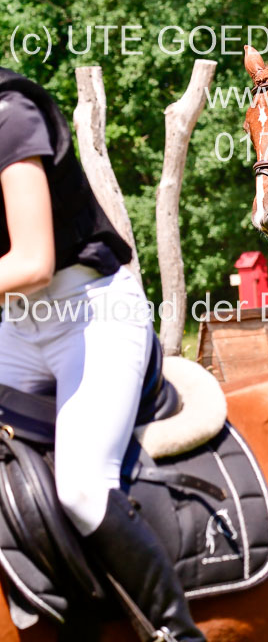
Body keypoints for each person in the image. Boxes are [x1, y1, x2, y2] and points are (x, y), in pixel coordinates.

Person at [0, 67, 205, 641]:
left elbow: (33, 261)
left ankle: (175, 633)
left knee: (83, 484)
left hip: (89, 314)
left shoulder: (9, 113)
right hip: (14, 326)